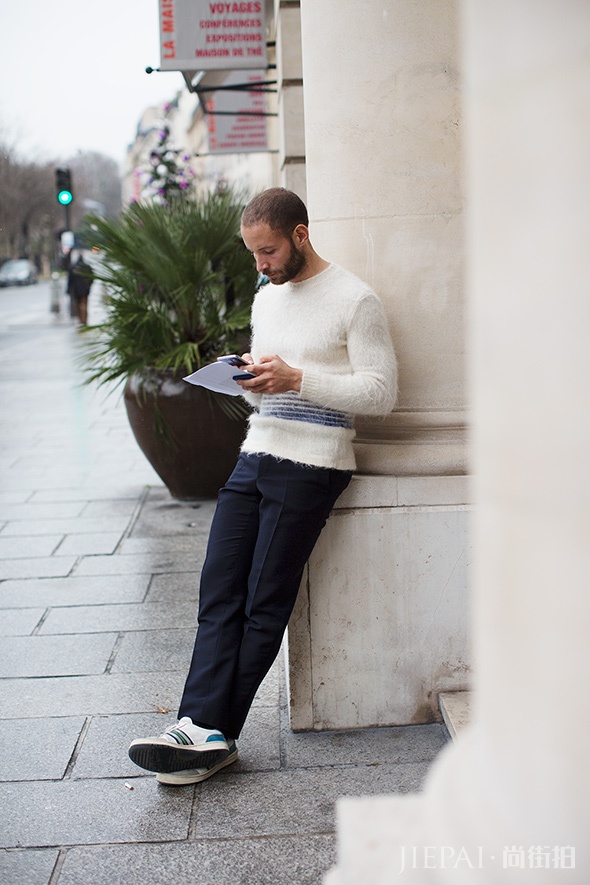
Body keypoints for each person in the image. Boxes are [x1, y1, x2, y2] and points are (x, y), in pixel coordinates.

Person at [128, 187, 398, 785]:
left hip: (313, 464)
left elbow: (381, 393)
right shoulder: (266, 297)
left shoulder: (356, 300)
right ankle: (198, 729)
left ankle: (212, 734)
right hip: (256, 453)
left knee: (262, 602)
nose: (261, 265)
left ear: (300, 235)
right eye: (253, 253)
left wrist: (299, 378)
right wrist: (248, 378)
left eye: (268, 251)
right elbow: (264, 389)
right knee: (218, 590)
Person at [67, 251, 94, 324]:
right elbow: (91, 278)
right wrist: (88, 285)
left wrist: (68, 290)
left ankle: (81, 320)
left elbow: (70, 280)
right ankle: (83, 320)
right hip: (84, 289)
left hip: (76, 290)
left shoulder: (73, 267)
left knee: (78, 306)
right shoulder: (87, 267)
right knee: (84, 306)